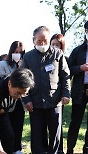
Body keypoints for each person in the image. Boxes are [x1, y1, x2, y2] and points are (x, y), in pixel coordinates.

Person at [21, 26, 70, 154]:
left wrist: (66, 93)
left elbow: (65, 75)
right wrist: (26, 99)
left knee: (55, 134)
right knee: (37, 135)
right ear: (33, 40)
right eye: (39, 41)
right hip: (35, 103)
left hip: (54, 101)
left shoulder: (58, 54)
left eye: (45, 41)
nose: (42, 44)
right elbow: (23, 80)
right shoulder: (27, 57)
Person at [0, 41, 25, 154]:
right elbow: (0, 79)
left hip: (20, 101)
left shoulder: (25, 64)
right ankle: (6, 149)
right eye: (15, 52)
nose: (17, 54)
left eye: (20, 52)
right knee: (8, 129)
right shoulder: (3, 64)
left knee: (18, 126)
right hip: (7, 101)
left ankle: (17, 149)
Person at [67, 21, 88, 154]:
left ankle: (87, 148)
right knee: (75, 121)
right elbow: (67, 69)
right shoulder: (77, 50)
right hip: (79, 90)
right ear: (85, 31)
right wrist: (80, 68)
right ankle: (70, 148)